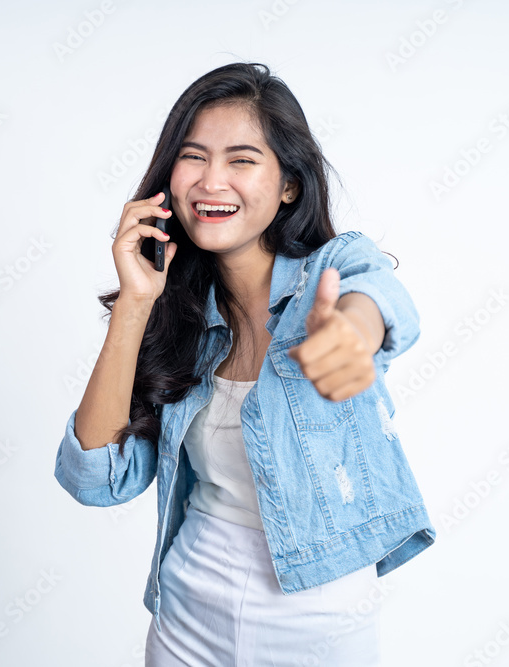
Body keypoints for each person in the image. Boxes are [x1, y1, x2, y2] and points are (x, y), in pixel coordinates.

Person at [54, 62, 436, 665]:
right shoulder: (177, 319)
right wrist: (134, 303)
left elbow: (380, 300)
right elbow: (94, 479)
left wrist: (351, 336)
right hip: (189, 601)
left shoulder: (333, 272)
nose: (212, 181)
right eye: (194, 156)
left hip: (320, 610)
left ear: (288, 184)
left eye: (241, 160)